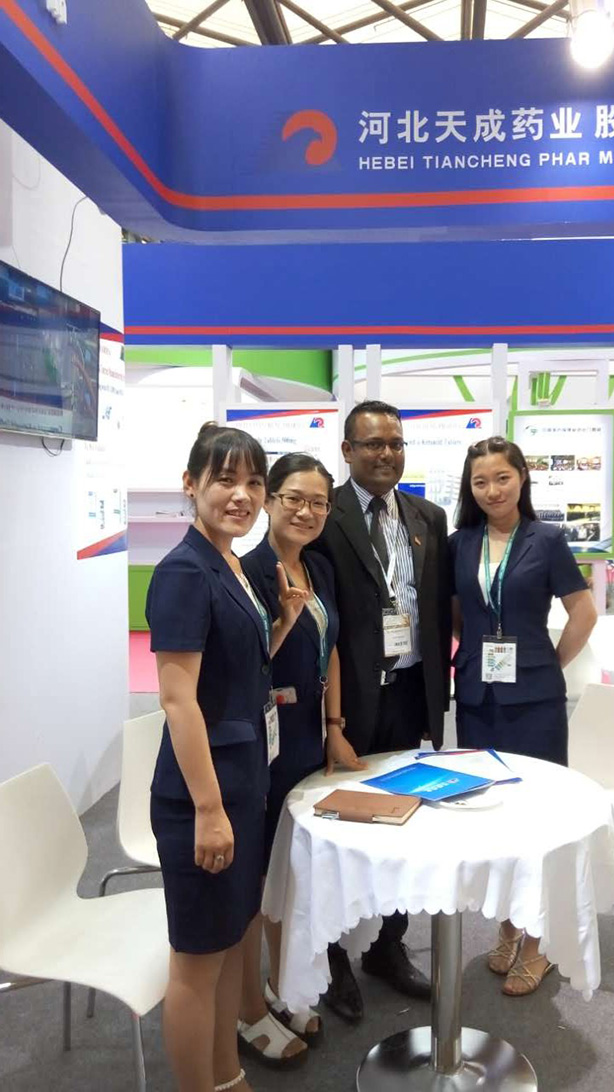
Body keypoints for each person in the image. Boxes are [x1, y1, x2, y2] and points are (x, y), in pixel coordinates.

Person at [147, 424, 307, 1092]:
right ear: (191, 485)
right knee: (196, 965)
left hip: (241, 781)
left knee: (221, 951)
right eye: (224, 480)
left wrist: (283, 622)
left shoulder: (231, 563)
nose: (241, 495)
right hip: (201, 797)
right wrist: (210, 811)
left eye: (253, 483)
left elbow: (237, 670)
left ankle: (226, 1075)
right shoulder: (185, 571)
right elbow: (178, 700)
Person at [312, 399, 451, 1020]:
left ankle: (388, 946)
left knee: (405, 820)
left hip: (410, 692)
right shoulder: (325, 513)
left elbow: (436, 609)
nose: (386, 454)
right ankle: (332, 955)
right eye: (372, 444)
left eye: (395, 443)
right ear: (347, 451)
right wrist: (329, 719)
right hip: (348, 701)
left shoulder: (428, 517)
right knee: (335, 828)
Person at [449, 436, 597, 997]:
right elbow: (460, 614)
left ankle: (539, 941)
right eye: (480, 481)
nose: (492, 490)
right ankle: (509, 926)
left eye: (502, 478)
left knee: (537, 818)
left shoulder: (547, 540)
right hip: (477, 697)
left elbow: (583, 612)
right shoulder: (460, 543)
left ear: (522, 478)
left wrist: (547, 662)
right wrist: (481, 651)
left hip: (534, 700)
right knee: (491, 814)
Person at [237, 453, 366, 1064]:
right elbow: (243, 666)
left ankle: (281, 983)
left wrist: (335, 727)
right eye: (294, 498)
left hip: (309, 735)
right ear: (269, 500)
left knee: (293, 867)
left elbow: (331, 649)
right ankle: (253, 1002)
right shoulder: (249, 572)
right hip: (265, 739)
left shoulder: (319, 566)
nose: (307, 512)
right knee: (264, 871)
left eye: (319, 503)